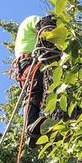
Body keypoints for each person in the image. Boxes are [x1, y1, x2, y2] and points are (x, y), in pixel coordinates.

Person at [11, 14, 57, 145]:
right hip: (28, 62)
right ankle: (30, 127)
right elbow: (45, 30)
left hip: (28, 63)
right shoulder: (34, 20)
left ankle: (37, 127)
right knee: (35, 90)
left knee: (40, 91)